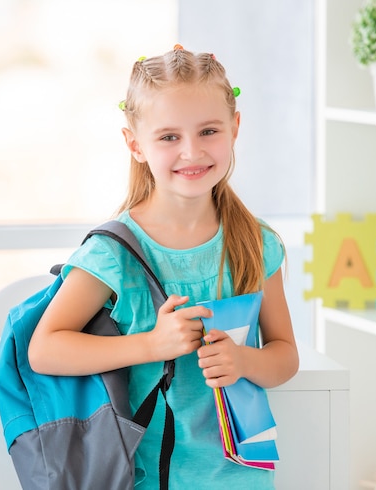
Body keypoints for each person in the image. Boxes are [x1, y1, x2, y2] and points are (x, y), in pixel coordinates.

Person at [28, 45, 299, 489]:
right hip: (143, 477)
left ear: (234, 127)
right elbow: (45, 349)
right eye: (169, 137)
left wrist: (243, 360)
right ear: (135, 144)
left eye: (209, 131)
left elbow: (284, 356)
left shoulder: (255, 242)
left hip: (242, 478)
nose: (191, 152)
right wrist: (151, 345)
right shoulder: (114, 254)